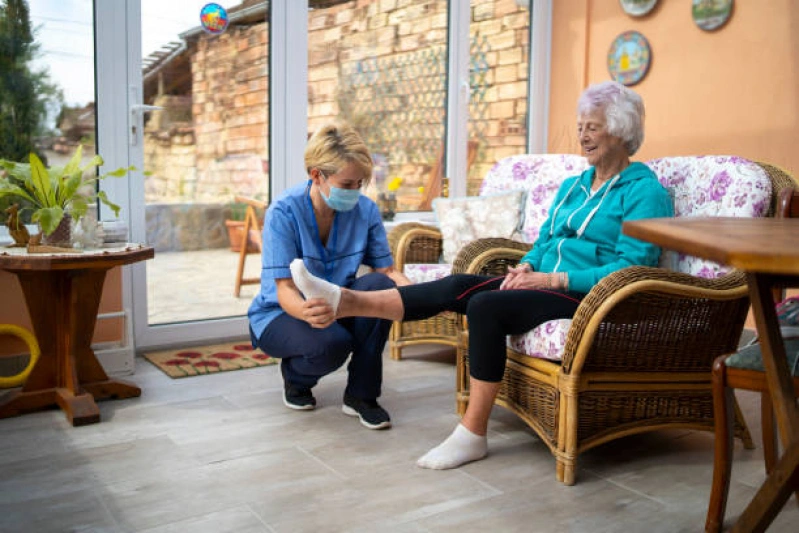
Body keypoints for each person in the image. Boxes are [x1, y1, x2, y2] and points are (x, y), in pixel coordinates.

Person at [288, 80, 674, 467]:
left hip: (588, 296)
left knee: (487, 306)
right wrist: (527, 265)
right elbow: (545, 242)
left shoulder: (644, 191)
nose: (582, 135)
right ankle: (345, 301)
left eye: (592, 126)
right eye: (580, 125)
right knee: (458, 285)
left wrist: (554, 279)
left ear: (622, 130)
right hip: (543, 283)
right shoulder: (575, 186)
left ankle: (472, 434)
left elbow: (633, 267)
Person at [248, 121, 410, 430]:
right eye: (347, 184)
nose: (355, 192)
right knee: (331, 345)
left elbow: (386, 271)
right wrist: (307, 314)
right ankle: (296, 379)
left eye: (360, 183)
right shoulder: (283, 211)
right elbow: (283, 287)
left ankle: (362, 396)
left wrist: (418, 296)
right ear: (316, 175)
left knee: (380, 286)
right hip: (282, 312)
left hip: (339, 305)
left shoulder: (365, 210)